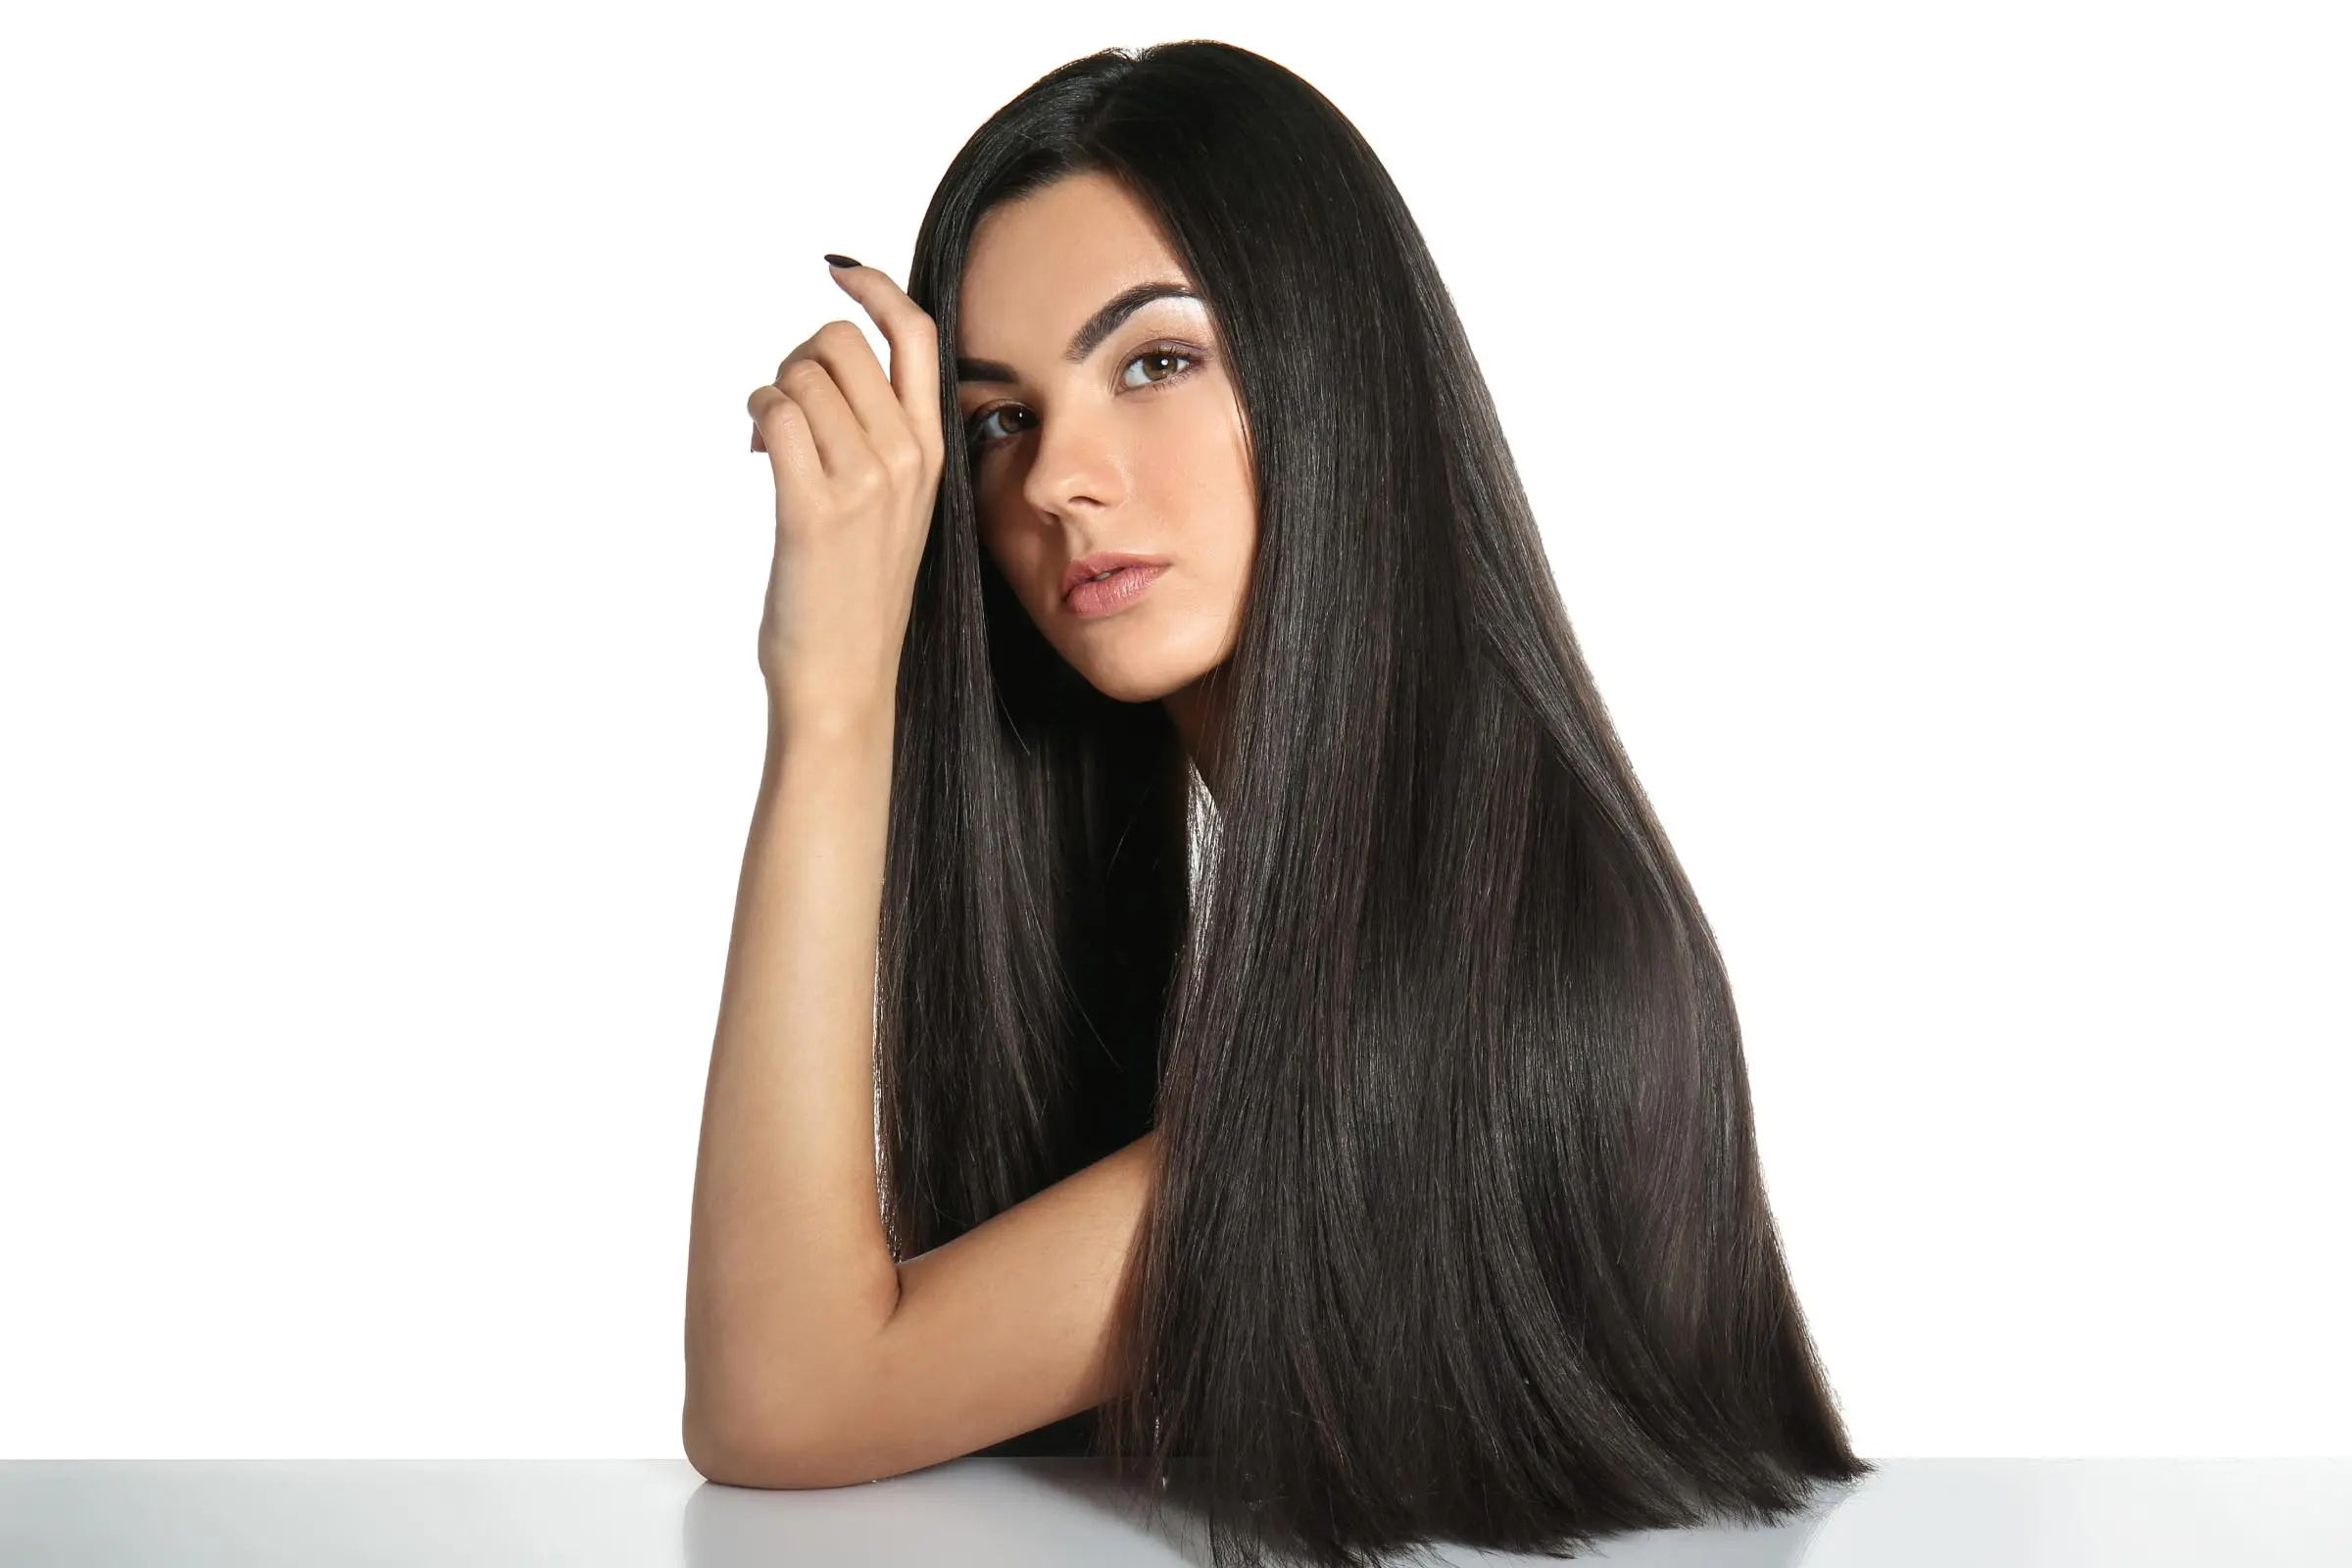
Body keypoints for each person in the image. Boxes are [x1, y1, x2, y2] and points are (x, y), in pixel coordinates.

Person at [685, 38, 1870, 1568]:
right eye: (995, 421)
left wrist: (835, 702)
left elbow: (784, 1404)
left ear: (1333, 366)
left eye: (1156, 362)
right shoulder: (1383, 924)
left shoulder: (1485, 992)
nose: (1058, 480)